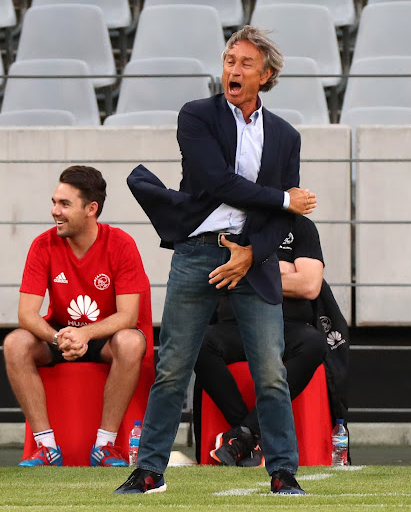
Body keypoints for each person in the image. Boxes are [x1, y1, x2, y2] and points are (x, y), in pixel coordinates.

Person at [118, 26, 317, 495]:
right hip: (196, 252)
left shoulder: (286, 136)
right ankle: (150, 471)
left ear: (265, 76)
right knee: (172, 367)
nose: (234, 69)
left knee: (271, 371)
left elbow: (278, 220)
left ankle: (283, 472)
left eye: (246, 63)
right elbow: (217, 182)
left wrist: (252, 252)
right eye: (230, 60)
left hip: (253, 258)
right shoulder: (197, 115)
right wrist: (284, 197)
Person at [3, 165, 153, 468]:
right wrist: (59, 337)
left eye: (64, 204)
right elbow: (26, 314)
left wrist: (86, 334)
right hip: (60, 336)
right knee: (15, 343)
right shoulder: (43, 244)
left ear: (91, 209)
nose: (54, 211)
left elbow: (127, 316)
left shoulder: (121, 244)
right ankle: (45, 447)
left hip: (105, 336)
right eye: (54, 202)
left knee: (131, 342)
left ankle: (105, 446)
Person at [194, 215, 328, 467]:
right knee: (197, 342)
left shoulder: (299, 226)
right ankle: (249, 432)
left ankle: (242, 435)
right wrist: (282, 270)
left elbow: (310, 285)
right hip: (236, 324)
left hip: (290, 326)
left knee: (314, 344)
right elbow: (214, 275)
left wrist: (249, 271)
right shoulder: (226, 224)